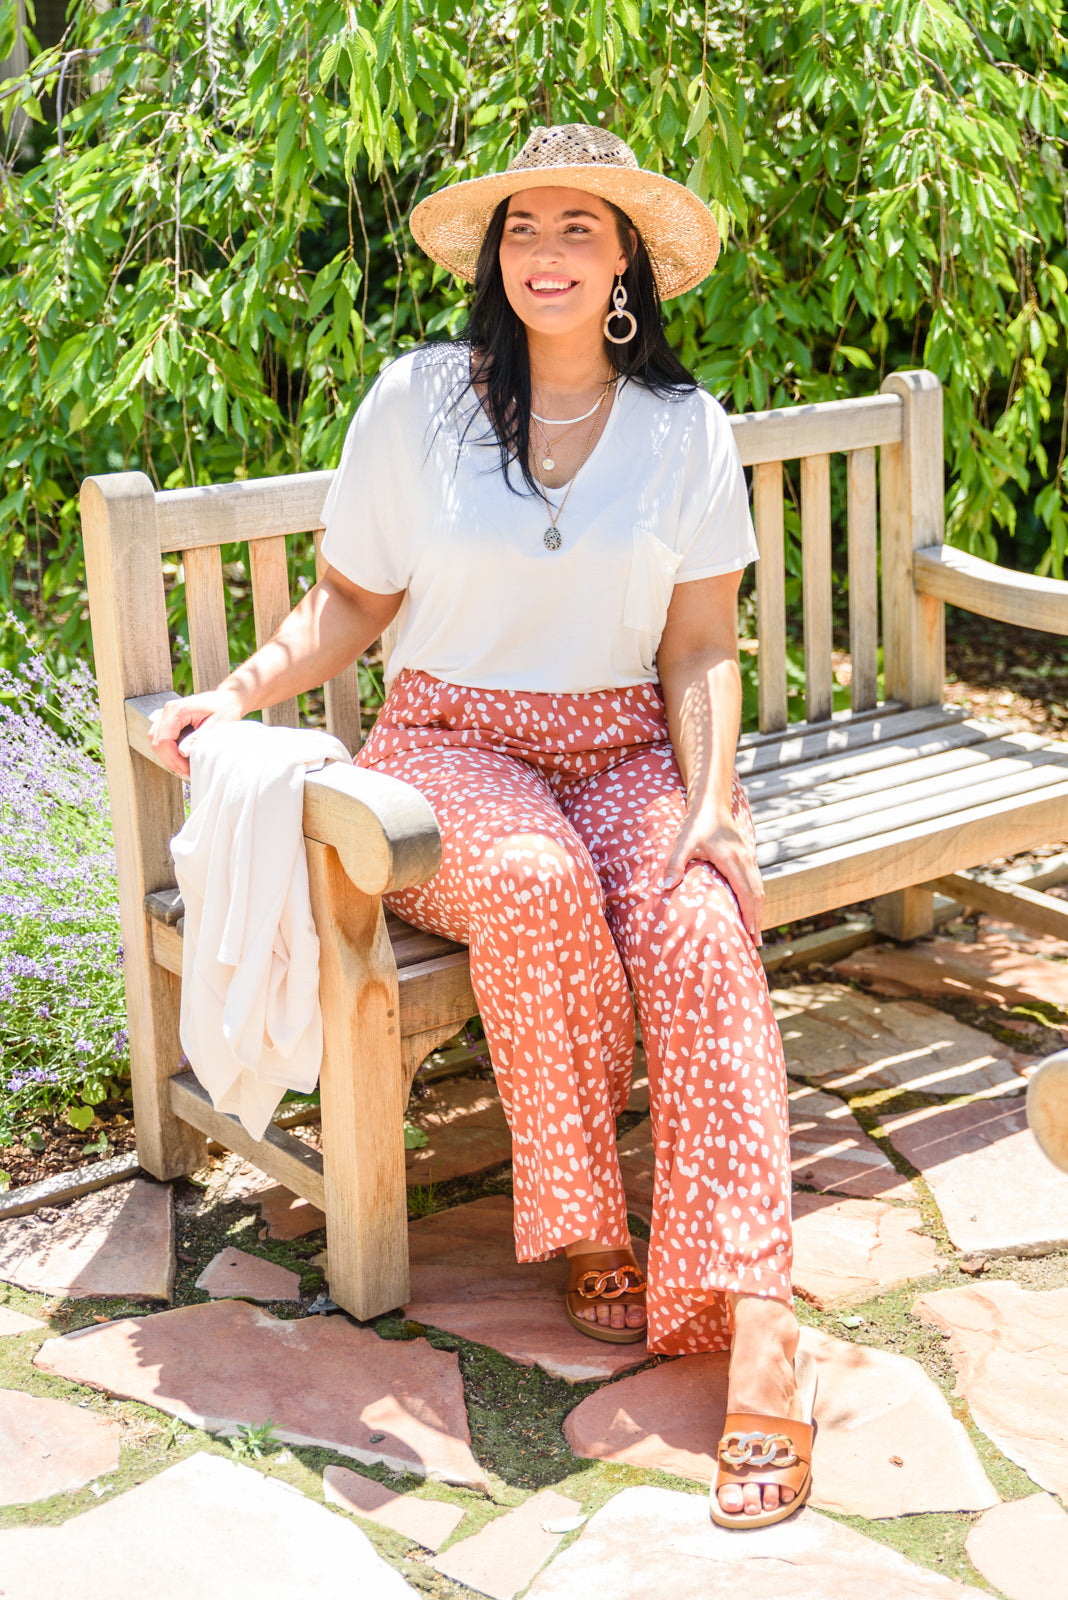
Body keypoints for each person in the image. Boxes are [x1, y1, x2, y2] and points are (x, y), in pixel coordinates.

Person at [152, 123, 815, 1527]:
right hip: (451, 741)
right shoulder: (420, 404)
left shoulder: (687, 429)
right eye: (527, 228)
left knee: (703, 926)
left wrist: (709, 806)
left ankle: (758, 1313)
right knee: (531, 882)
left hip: (629, 746)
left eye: (582, 228)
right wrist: (239, 689)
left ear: (628, 257)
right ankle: (583, 1226)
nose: (550, 254)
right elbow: (351, 607)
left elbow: (700, 649)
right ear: (497, 256)